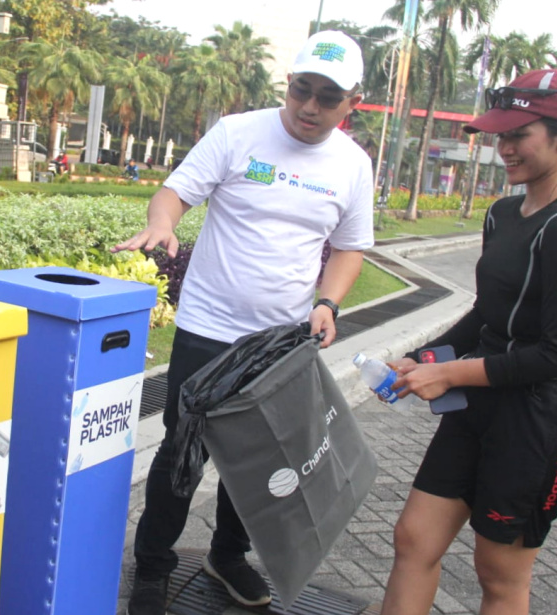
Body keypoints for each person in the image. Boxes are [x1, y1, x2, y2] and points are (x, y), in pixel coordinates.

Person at [113, 30, 374, 615]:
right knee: (181, 453)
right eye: (301, 89)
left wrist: (328, 302)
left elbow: (350, 247)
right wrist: (162, 223)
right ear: (289, 84)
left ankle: (227, 555)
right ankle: (153, 564)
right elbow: (174, 193)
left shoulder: (353, 165)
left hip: (281, 343)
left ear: (352, 102)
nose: (309, 106)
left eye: (327, 97)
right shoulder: (238, 133)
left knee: (260, 458)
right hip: (208, 328)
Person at [380, 68, 557, 615]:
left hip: (536, 419)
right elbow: (487, 314)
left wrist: (448, 373)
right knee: (413, 539)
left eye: (518, 135)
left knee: (499, 573)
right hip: (477, 402)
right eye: (500, 135)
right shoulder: (503, 214)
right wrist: (418, 359)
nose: (504, 148)